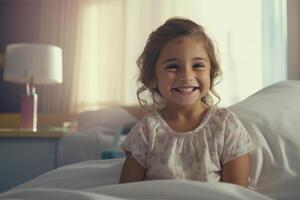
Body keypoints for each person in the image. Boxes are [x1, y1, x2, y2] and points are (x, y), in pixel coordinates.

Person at [119, 17, 254, 187]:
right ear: (152, 77)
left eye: (197, 65)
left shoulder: (225, 126)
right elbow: (125, 192)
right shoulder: (146, 131)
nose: (187, 76)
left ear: (210, 74)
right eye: (173, 66)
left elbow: (237, 193)